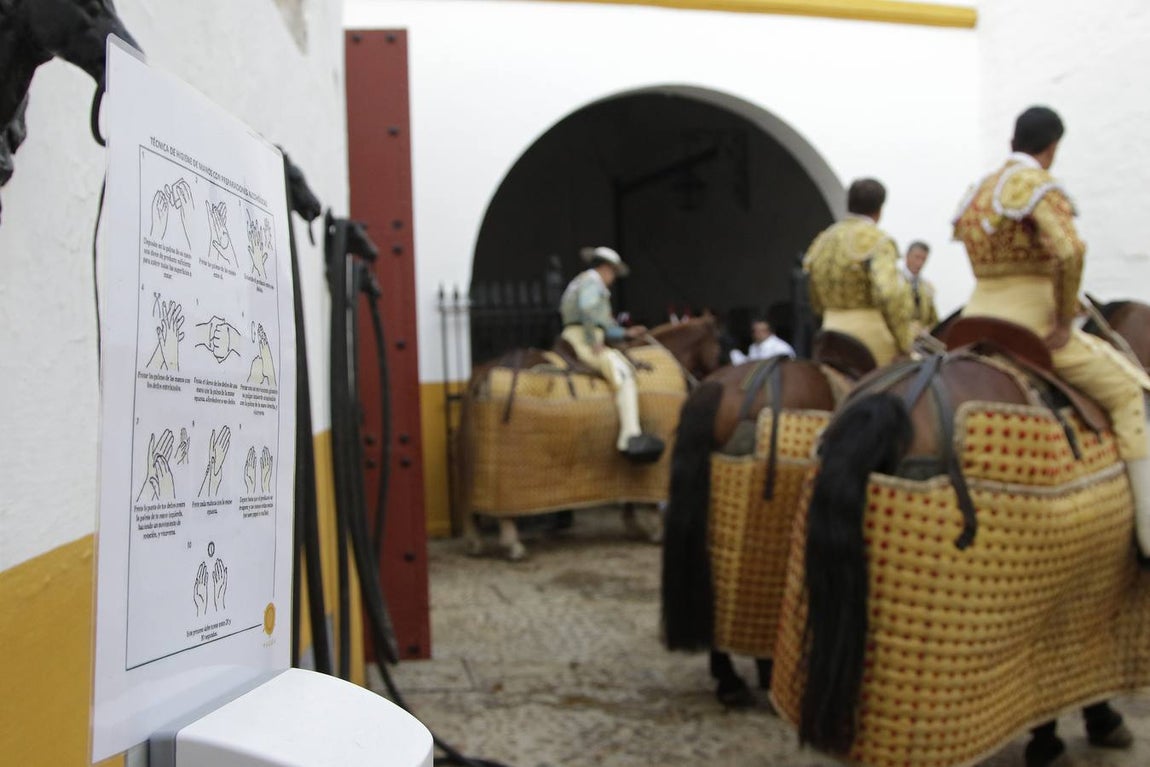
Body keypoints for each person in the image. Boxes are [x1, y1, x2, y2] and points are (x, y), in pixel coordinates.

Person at [952, 105, 1140, 767]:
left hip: (974, 316)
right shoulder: (1039, 186)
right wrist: (1062, 316)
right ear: (1052, 147)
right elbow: (1069, 249)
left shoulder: (977, 191)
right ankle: (1148, 532)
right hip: (1033, 321)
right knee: (1133, 394)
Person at [559, 246, 665, 461]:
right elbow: (588, 311)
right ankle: (629, 437)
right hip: (583, 338)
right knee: (624, 373)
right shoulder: (592, 282)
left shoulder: (584, 282)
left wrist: (627, 332)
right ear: (605, 268)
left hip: (581, 333)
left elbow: (604, 326)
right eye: (613, 272)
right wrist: (592, 341)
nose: (614, 277)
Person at [803, 178, 916, 367]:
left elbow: (812, 293)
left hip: (829, 335)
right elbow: (889, 294)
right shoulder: (877, 240)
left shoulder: (823, 240)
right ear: (879, 210)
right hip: (868, 339)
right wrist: (905, 344)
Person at [902, 240, 939, 332]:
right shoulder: (893, 282)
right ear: (907, 256)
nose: (919, 263)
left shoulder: (928, 288)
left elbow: (933, 320)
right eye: (917, 257)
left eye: (923, 259)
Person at [729, 318, 795, 365]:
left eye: (762, 331)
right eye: (755, 331)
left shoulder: (781, 347)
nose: (757, 334)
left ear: (770, 332)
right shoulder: (753, 347)